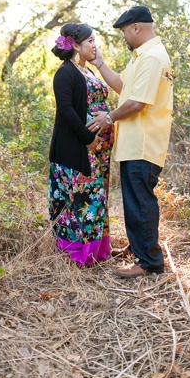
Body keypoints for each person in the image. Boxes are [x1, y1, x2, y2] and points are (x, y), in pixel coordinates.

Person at [87, 5, 174, 278]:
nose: (123, 37)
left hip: (144, 143)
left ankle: (149, 262)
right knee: (134, 201)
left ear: (136, 27)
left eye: (124, 32)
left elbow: (137, 103)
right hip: (134, 143)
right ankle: (141, 250)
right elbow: (124, 88)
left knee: (140, 203)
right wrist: (99, 63)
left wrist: (108, 118)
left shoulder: (152, 58)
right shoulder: (141, 57)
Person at [48, 22, 113, 266]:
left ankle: (97, 251)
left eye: (95, 40)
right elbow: (65, 110)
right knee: (78, 200)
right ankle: (77, 253)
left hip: (98, 152)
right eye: (90, 41)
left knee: (94, 199)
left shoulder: (88, 71)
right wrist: (89, 139)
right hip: (78, 149)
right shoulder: (65, 72)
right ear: (75, 46)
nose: (95, 45)